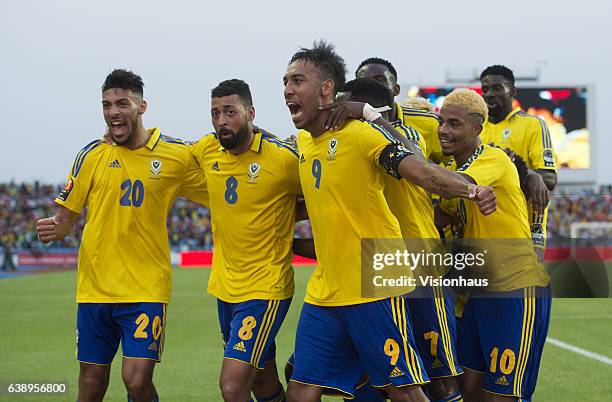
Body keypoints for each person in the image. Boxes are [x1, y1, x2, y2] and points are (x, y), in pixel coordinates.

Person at [282, 40, 495, 402]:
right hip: (325, 289)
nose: (288, 90)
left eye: (297, 81)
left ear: (326, 89)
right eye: (285, 81)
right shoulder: (301, 144)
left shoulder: (363, 134)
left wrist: (471, 190)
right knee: (301, 388)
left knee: (406, 389)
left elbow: (422, 172)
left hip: (376, 284)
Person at [36, 69, 209, 402]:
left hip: (146, 287)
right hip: (94, 289)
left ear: (142, 106)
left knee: (136, 380)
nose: (113, 111)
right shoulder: (90, 155)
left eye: (121, 103)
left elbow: (218, 188)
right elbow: (67, 218)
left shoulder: (175, 156)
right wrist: (54, 227)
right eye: (106, 104)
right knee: (90, 382)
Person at [343, 77, 464, 402]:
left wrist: (371, 116)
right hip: (377, 271)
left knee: (439, 378)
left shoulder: (404, 133)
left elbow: (418, 161)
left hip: (422, 265)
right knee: (374, 378)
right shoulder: (345, 143)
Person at [435, 88, 551, 402]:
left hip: (516, 292)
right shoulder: (455, 172)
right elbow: (437, 217)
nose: (444, 130)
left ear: (477, 129)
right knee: (467, 392)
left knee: (501, 397)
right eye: (441, 122)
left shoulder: (493, 160)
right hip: (479, 297)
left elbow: (456, 186)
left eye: (454, 124)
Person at [190, 79, 301, 402]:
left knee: (232, 386)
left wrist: (287, 214)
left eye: (230, 112)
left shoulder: (283, 158)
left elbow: (322, 195)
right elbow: (170, 155)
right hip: (225, 288)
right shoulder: (207, 149)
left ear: (250, 112)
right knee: (262, 383)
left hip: (265, 288)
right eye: (215, 113)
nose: (221, 121)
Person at [479, 65, 558, 259]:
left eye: (497, 88)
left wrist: (529, 174)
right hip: (487, 220)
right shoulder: (477, 128)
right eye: (485, 89)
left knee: (528, 282)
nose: (489, 94)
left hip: (527, 220)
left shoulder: (532, 124)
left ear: (513, 92)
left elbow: (549, 178)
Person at [355, 57, 446, 164]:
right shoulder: (346, 123)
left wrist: (429, 168)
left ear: (396, 89)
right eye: (364, 82)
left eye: (379, 80)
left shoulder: (429, 123)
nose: (371, 87)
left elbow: (453, 163)